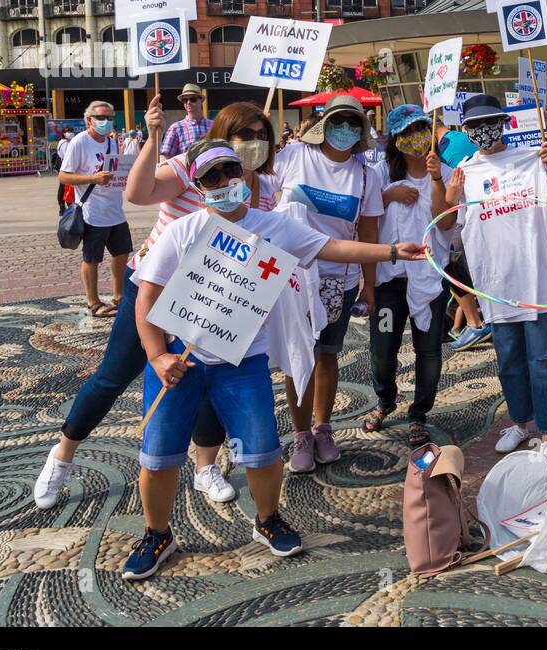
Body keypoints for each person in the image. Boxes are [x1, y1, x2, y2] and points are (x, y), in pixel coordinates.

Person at [124, 138, 426, 580]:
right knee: (158, 457)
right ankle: (157, 533)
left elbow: (333, 248)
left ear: (243, 174)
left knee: (263, 452)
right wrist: (156, 357)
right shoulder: (183, 230)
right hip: (179, 361)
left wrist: (394, 251)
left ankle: (267, 520)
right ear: (198, 184)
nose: (225, 182)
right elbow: (145, 298)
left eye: (230, 171)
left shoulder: (273, 226)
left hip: (243, 363)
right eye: (212, 177)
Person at [32, 100, 281, 512]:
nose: (253, 144)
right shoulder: (191, 164)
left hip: (212, 300)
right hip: (154, 288)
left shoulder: (264, 189)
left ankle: (205, 467)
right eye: (244, 135)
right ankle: (62, 455)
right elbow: (139, 192)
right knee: (113, 375)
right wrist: (152, 137)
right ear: (223, 133)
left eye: (261, 137)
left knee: (205, 382)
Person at [441, 94, 547, 459]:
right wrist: (447, 194)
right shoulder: (464, 173)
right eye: (475, 126)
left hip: (538, 279)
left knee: (544, 361)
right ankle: (520, 422)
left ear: (505, 123)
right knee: (509, 360)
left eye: (490, 122)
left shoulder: (534, 160)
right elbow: (448, 229)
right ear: (465, 130)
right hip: (496, 285)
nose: (484, 131)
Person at [272, 95, 385, 472]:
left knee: (327, 355)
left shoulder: (366, 173)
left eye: (354, 124)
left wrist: (370, 285)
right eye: (339, 122)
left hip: (342, 278)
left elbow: (368, 228)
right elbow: (257, 187)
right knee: (296, 357)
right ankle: (301, 434)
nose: (346, 131)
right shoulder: (293, 157)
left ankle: (323, 428)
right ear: (324, 124)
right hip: (292, 276)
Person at [364, 105, 454, 447]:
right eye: (405, 133)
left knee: (428, 351)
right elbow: (364, 220)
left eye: (420, 129)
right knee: (382, 351)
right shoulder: (379, 174)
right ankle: (385, 400)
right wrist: (387, 196)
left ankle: (419, 414)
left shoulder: (446, 172)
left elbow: (446, 224)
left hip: (429, 280)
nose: (414, 138)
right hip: (388, 281)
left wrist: (435, 179)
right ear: (395, 140)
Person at [58, 101, 131, 319]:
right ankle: (93, 301)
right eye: (100, 117)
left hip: (114, 209)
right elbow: (64, 175)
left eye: (109, 117)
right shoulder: (80, 142)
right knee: (92, 258)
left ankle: (119, 296)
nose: (105, 121)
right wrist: (93, 179)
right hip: (92, 211)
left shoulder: (111, 142)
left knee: (122, 253)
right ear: (89, 120)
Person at [433, 123, 491, 350]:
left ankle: (476, 324)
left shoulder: (447, 149)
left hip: (460, 218)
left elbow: (450, 191)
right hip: (476, 216)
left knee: (451, 268)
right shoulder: (460, 141)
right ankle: (476, 321)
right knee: (464, 269)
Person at [160, 84, 212, 159]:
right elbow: (165, 157)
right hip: (185, 170)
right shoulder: (176, 128)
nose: (188, 102)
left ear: (201, 100)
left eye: (192, 99)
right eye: (185, 100)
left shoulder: (213, 125)